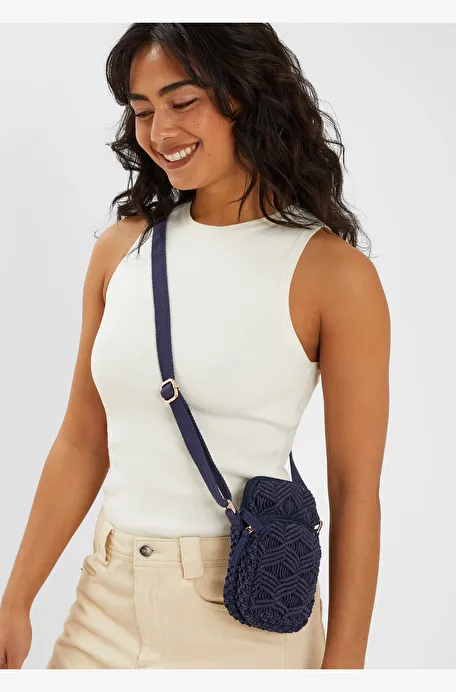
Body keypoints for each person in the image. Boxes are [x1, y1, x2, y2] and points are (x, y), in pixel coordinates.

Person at [0, 23, 390, 670]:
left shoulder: (333, 274)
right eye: (141, 111)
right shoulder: (120, 251)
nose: (160, 132)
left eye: (182, 102)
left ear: (247, 96)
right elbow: (82, 440)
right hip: (104, 602)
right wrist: (16, 598)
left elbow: (354, 490)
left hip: (243, 618)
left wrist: (345, 667)